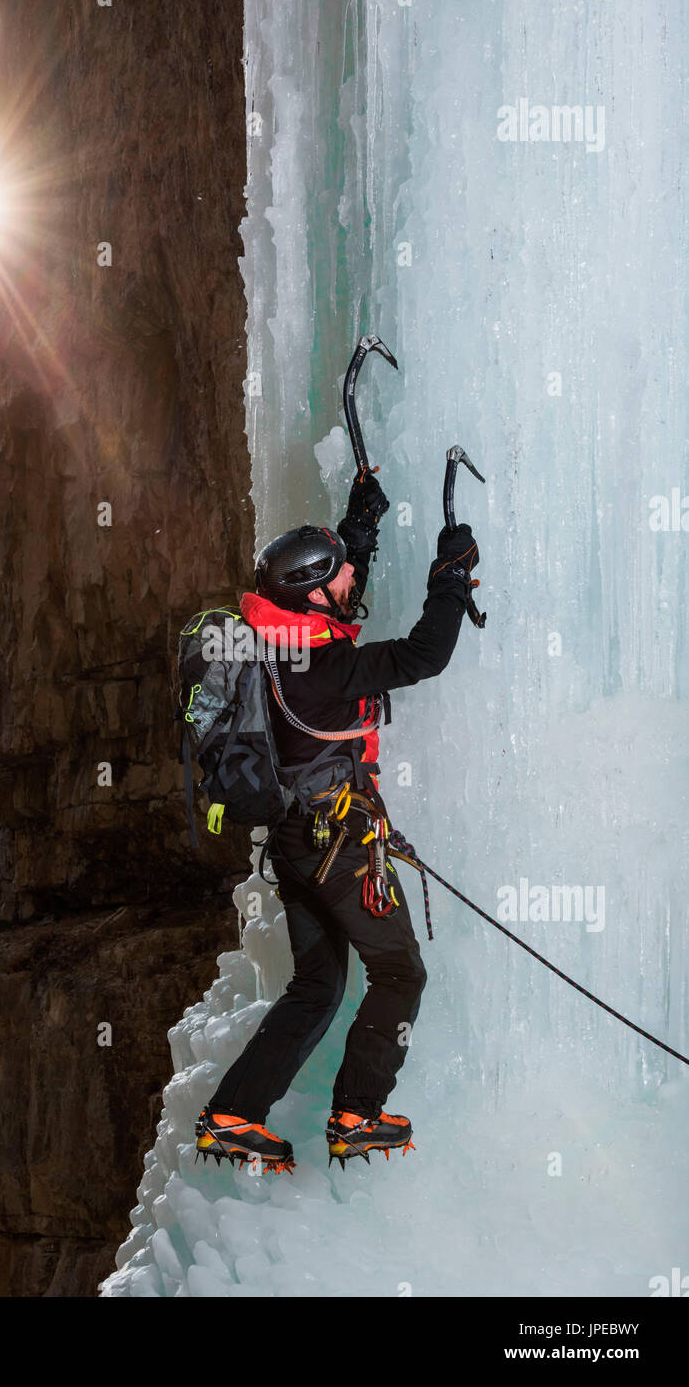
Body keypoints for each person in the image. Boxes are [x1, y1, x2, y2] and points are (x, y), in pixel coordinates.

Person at [194, 470, 480, 1172]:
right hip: (337, 843)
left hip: (293, 840)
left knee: (317, 986)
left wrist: (360, 526)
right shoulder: (321, 667)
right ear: (313, 593)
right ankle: (357, 1114)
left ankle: (233, 1115)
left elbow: (324, 595)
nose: (353, 578)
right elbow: (422, 655)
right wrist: (450, 576)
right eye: (342, 573)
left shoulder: (270, 639)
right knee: (397, 973)